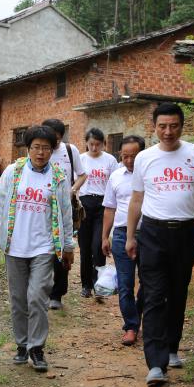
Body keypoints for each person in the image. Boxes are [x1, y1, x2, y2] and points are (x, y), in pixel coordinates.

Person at [125, 103, 194, 386]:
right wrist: (131, 236)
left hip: (184, 233)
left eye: (173, 126)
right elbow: (136, 200)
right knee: (155, 295)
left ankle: (172, 347)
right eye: (162, 126)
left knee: (177, 293)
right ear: (154, 127)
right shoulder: (145, 158)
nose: (168, 132)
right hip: (152, 234)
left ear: (182, 126)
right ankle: (156, 364)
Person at [0, 125, 75, 372]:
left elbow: (66, 213)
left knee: (37, 297)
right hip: (14, 246)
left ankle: (37, 347)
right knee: (18, 300)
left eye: (46, 148)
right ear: (28, 148)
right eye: (36, 147)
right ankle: (21, 345)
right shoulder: (14, 172)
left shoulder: (57, 178)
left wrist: (68, 246)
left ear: (52, 150)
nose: (41, 152)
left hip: (43, 247)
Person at [101, 135, 145, 345]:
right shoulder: (116, 176)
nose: (129, 160)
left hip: (148, 234)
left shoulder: (150, 175)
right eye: (125, 156)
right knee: (125, 284)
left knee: (149, 283)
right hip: (120, 234)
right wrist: (104, 236)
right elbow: (110, 207)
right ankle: (131, 326)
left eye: (133, 156)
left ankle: (138, 316)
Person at [41, 118, 87, 310]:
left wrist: (73, 190)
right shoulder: (40, 151)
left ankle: (57, 293)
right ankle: (41, 289)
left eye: (57, 140)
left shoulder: (70, 150)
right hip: (42, 207)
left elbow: (82, 174)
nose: (53, 144)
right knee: (43, 249)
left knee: (62, 247)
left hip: (64, 207)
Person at [78, 128, 118, 299]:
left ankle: (99, 285)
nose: (94, 148)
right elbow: (75, 181)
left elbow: (115, 181)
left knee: (98, 246)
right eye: (91, 144)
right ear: (86, 143)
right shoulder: (80, 159)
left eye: (98, 144)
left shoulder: (110, 160)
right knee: (85, 248)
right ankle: (86, 285)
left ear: (103, 144)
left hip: (103, 205)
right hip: (84, 205)